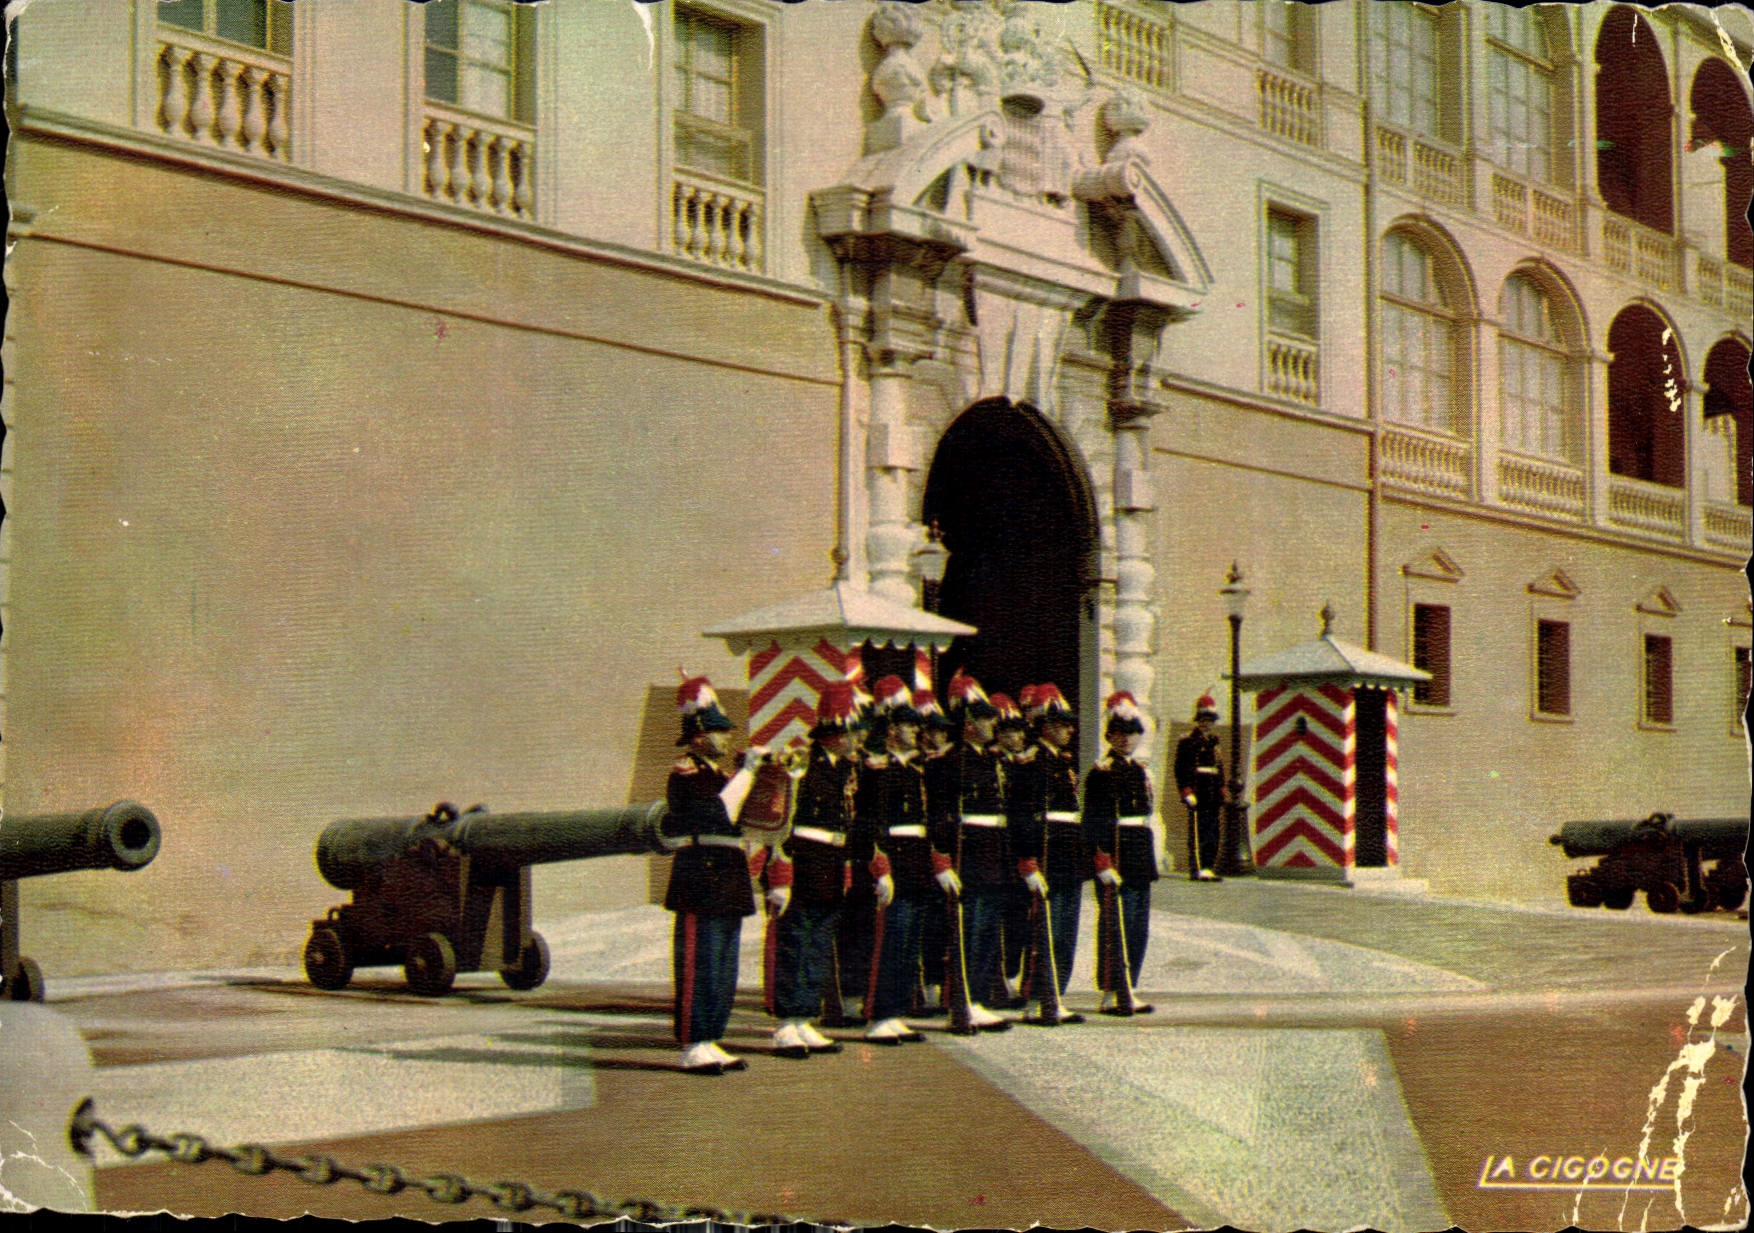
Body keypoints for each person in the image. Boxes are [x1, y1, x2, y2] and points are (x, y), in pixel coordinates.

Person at [661, 675, 758, 1075]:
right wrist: (746, 775)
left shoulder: (719, 775)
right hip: (700, 876)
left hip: (728, 875)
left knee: (723, 964)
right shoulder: (686, 773)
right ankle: (692, 1042)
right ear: (698, 736)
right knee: (700, 962)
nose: (727, 737)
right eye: (719, 731)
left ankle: (712, 1036)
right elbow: (718, 814)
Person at [764, 682, 859, 1059]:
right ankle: (785, 1023)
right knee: (794, 944)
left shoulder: (846, 769)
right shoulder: (801, 761)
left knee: (818, 945)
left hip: (830, 865)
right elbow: (779, 822)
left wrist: (845, 868)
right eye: (850, 731)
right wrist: (780, 876)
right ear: (834, 732)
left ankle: (804, 1016)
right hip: (801, 864)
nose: (855, 738)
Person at [925, 670, 1012, 1032]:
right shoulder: (947, 762)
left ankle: (975, 998)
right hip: (968, 855)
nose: (993, 724)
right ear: (968, 723)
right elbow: (937, 814)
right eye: (985, 719)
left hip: (992, 855)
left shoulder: (994, 761)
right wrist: (942, 861)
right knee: (968, 931)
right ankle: (960, 1001)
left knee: (987, 930)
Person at [858, 676, 933, 1044]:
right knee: (889, 940)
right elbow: (869, 821)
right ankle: (879, 1014)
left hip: (916, 862)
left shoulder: (918, 769)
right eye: (908, 725)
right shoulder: (876, 769)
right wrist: (880, 867)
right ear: (890, 729)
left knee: (909, 941)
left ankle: (897, 1010)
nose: (916, 731)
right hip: (893, 860)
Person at [1082, 691, 1157, 1016]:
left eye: (1132, 734)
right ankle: (1111, 990)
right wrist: (1101, 861)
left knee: (1138, 925)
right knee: (1115, 924)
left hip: (1138, 853)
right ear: (1109, 736)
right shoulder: (1101, 772)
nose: (1126, 739)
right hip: (1116, 854)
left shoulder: (1139, 770)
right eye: (1120, 733)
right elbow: (1093, 821)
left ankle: (1130, 985)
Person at [1021, 683, 1086, 1024]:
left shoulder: (1064, 762)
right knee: (1045, 929)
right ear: (1045, 726)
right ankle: (1038, 998)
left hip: (1067, 854)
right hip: (1047, 852)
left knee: (1064, 930)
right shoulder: (1032, 762)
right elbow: (1024, 815)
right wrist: (1028, 861)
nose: (1069, 731)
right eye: (1062, 725)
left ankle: (1056, 994)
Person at [912, 687, 955, 1015]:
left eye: (940, 731)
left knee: (940, 923)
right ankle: (915, 988)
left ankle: (936, 984)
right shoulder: (910, 765)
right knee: (916, 924)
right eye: (930, 731)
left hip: (941, 849)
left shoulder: (946, 766)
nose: (936, 736)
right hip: (912, 853)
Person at [993, 693, 1036, 1010]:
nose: (1018, 737)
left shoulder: (1023, 766)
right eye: (1010, 731)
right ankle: (994, 981)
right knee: (995, 919)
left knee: (1018, 919)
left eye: (1020, 731)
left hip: (1018, 851)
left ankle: (1010, 976)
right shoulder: (991, 763)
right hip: (994, 851)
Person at [1175, 693, 1227, 881]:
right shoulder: (1188, 741)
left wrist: (1222, 788)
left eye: (1210, 721)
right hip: (1198, 791)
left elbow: (1219, 767)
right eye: (1203, 720)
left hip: (1212, 792)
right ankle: (1198, 867)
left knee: (1213, 831)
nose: (1206, 724)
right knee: (1199, 831)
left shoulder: (1214, 742)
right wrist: (1186, 790)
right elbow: (1181, 768)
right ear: (1198, 720)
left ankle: (1208, 866)